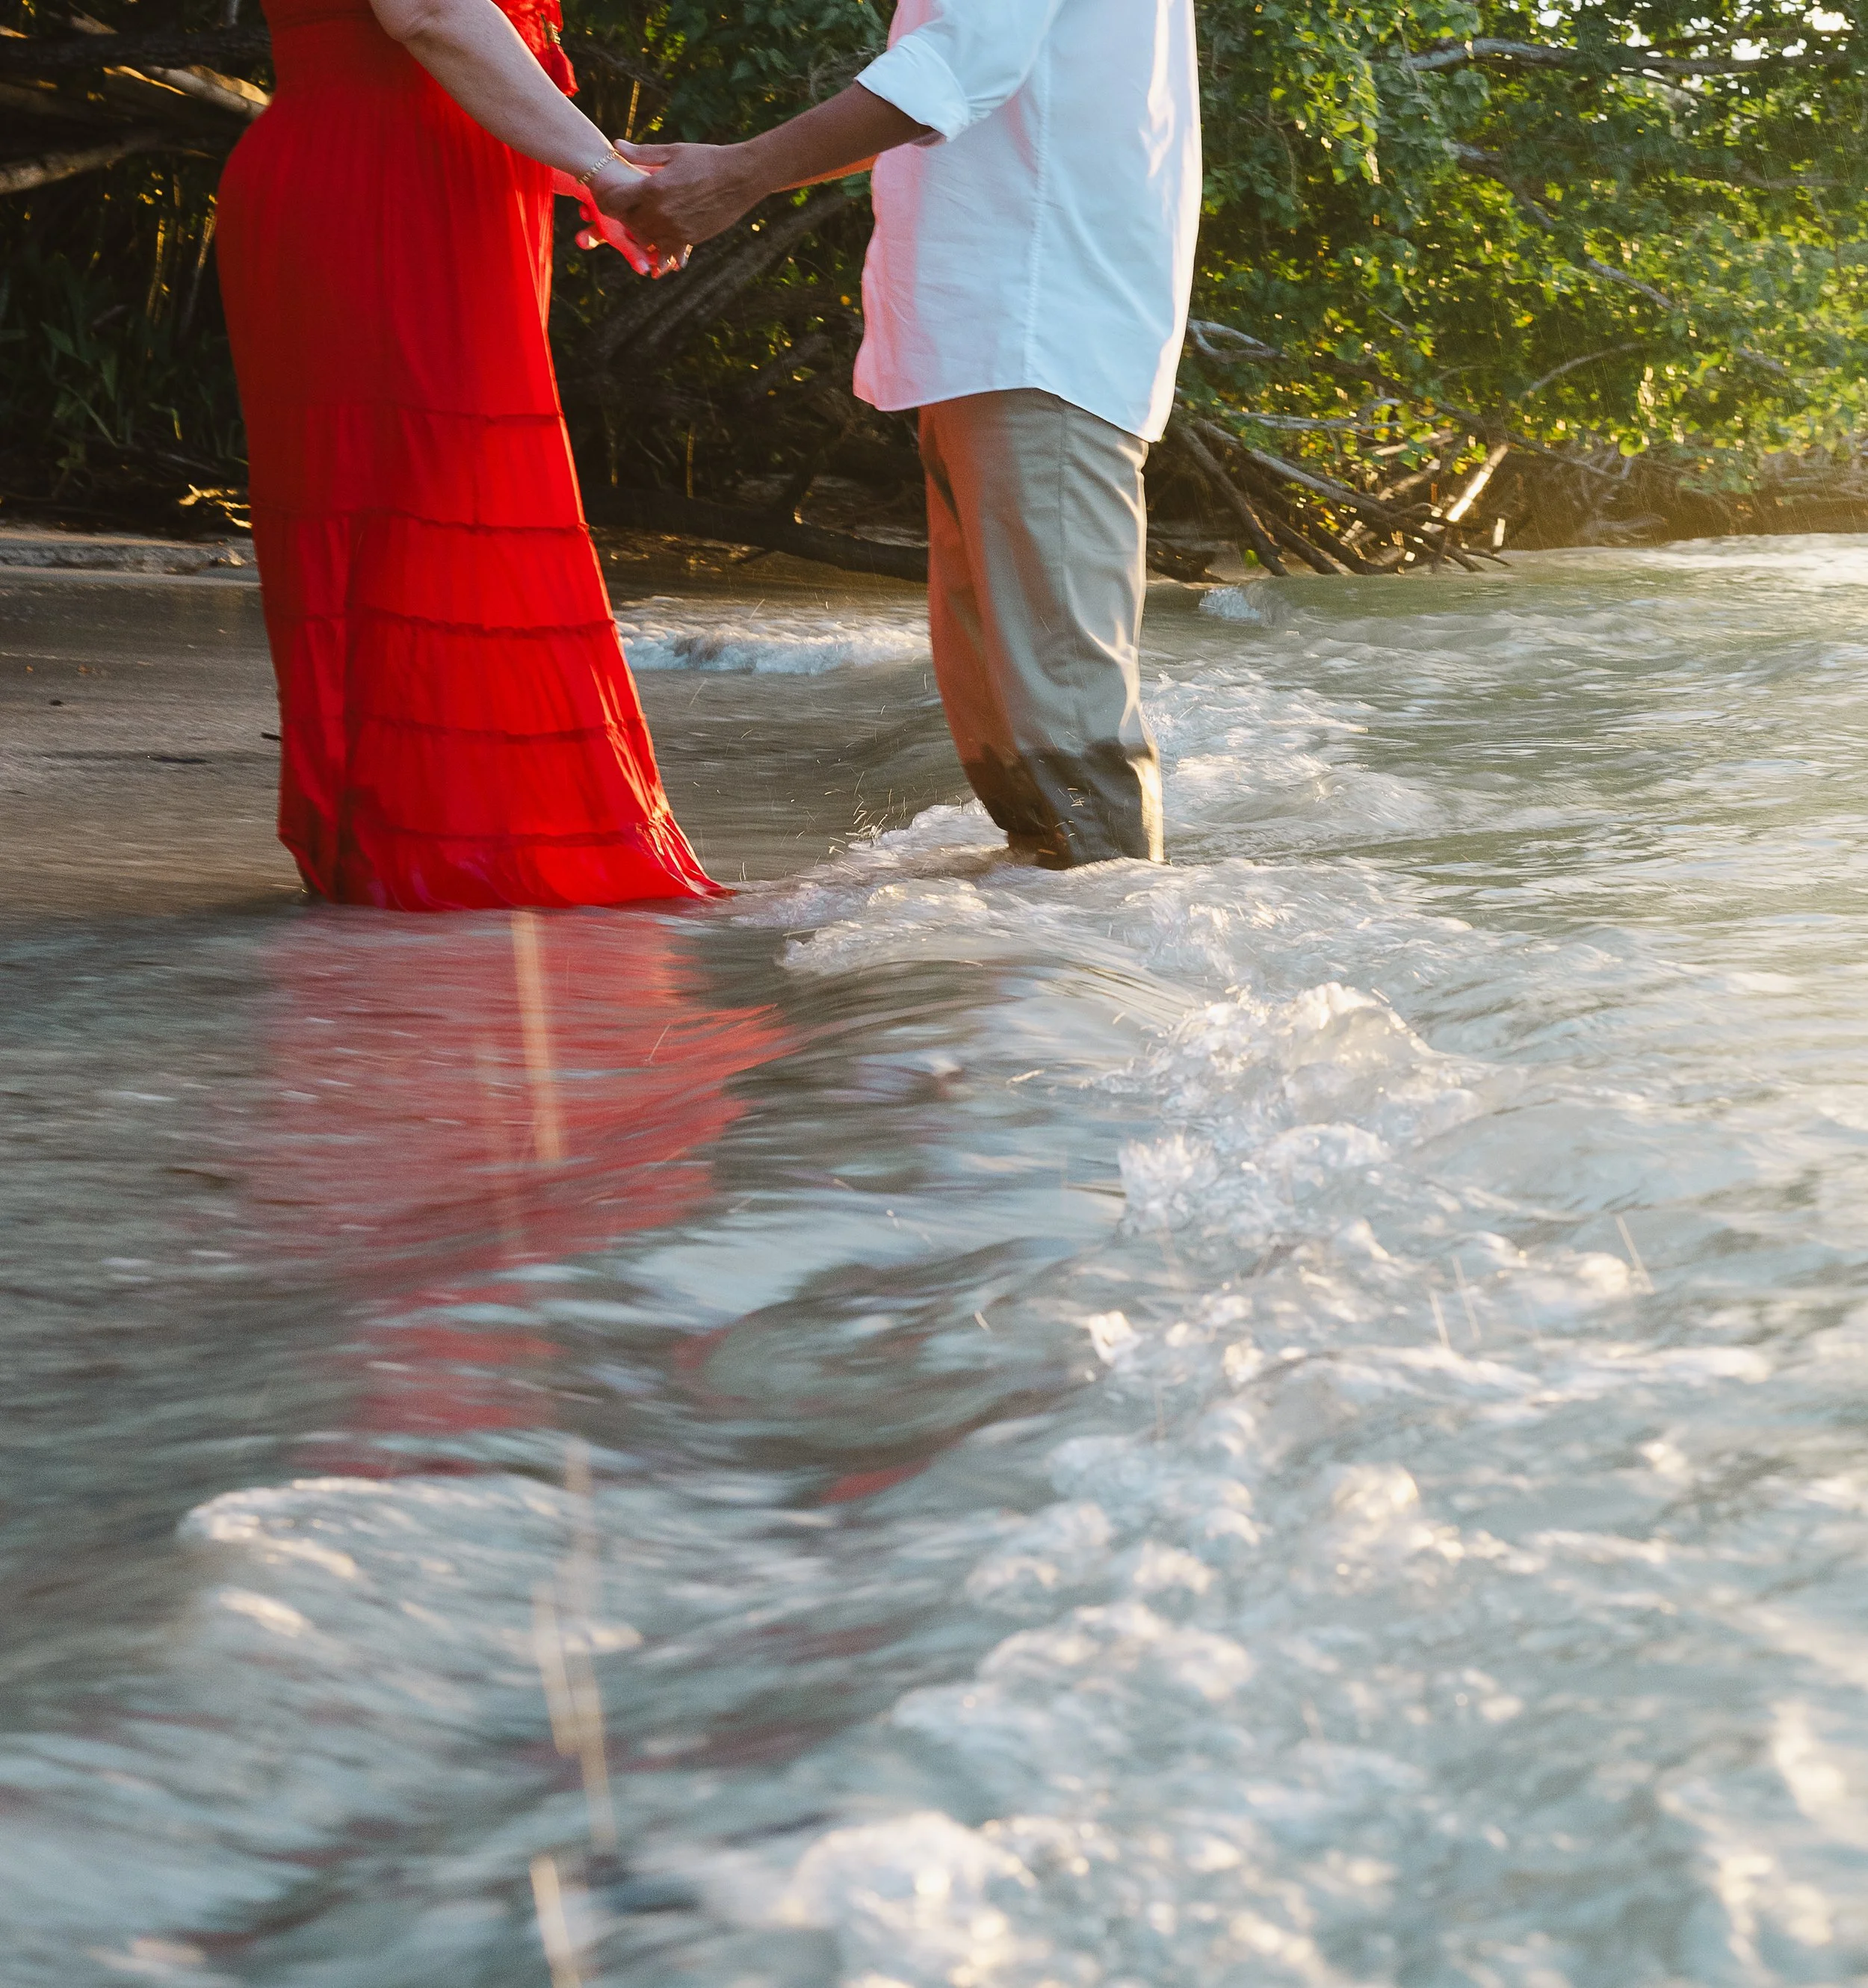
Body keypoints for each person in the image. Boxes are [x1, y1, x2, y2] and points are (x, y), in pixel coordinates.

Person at [604, 0, 1201, 869]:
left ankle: (1105, 984)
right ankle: (1043, 982)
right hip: (998, 337)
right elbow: (945, 90)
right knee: (1016, 751)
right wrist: (731, 178)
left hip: (1039, 333)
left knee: (1069, 745)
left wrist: (741, 174)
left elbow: (957, 66)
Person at [216, 0, 716, 910]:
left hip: (428, 184)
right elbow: (431, 14)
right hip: (379, 187)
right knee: (433, 501)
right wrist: (603, 169)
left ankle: (426, 856)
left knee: (442, 502)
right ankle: (452, 862)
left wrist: (588, 170)